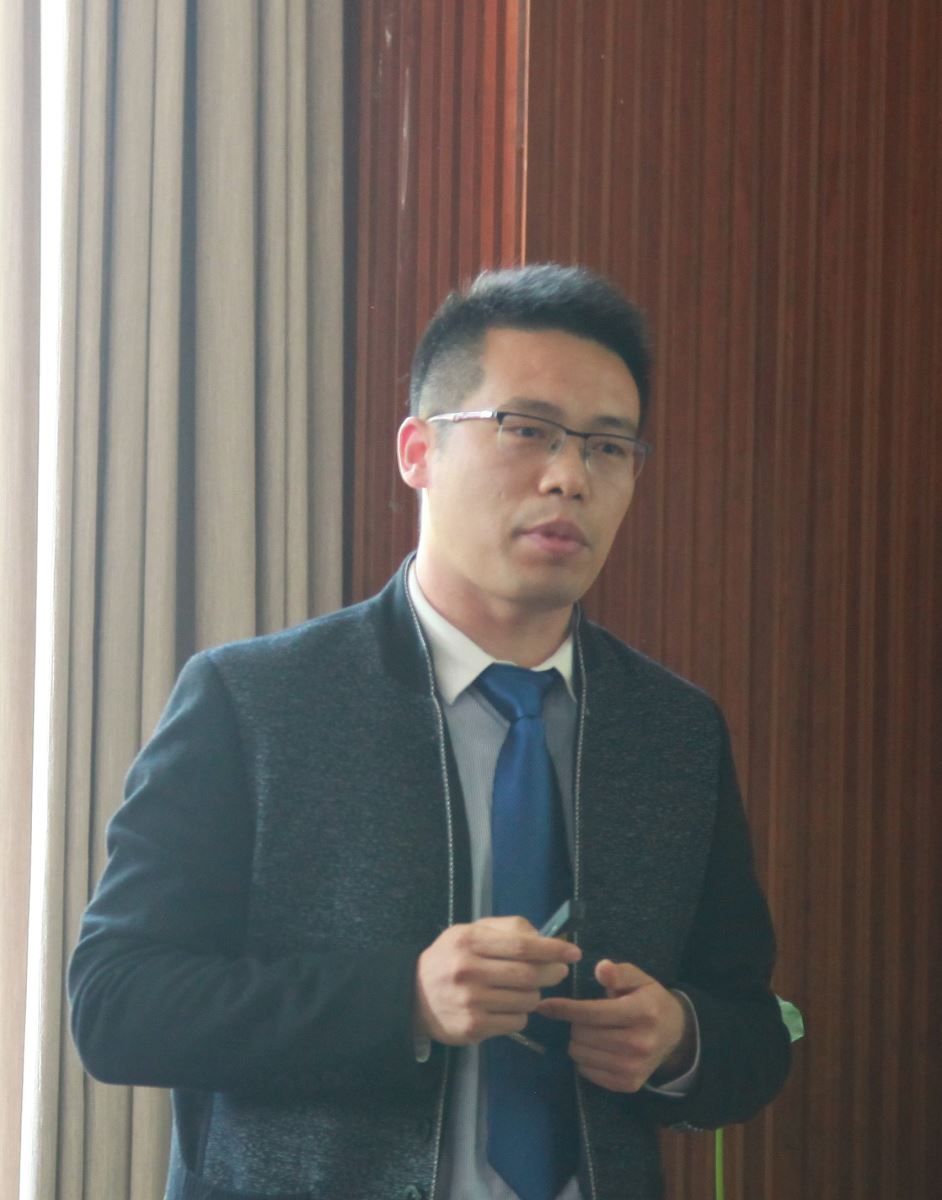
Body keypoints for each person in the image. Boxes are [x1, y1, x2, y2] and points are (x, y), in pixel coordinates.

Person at [69, 264, 790, 1200]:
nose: (569, 476)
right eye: (526, 429)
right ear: (418, 450)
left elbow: (755, 1029)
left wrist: (682, 1039)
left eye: (609, 448)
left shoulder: (674, 733)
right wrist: (402, 1001)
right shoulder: (255, 702)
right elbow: (117, 1004)